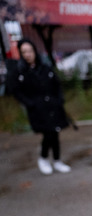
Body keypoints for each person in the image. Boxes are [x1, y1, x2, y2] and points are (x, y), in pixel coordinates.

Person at [9, 38, 71, 175]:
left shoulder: (45, 67)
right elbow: (16, 91)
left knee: (55, 132)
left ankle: (57, 160)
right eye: (24, 52)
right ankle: (43, 158)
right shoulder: (20, 72)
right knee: (48, 133)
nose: (27, 54)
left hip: (53, 106)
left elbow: (56, 85)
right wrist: (30, 104)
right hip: (38, 109)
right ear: (20, 53)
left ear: (34, 51)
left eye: (29, 51)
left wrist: (59, 100)